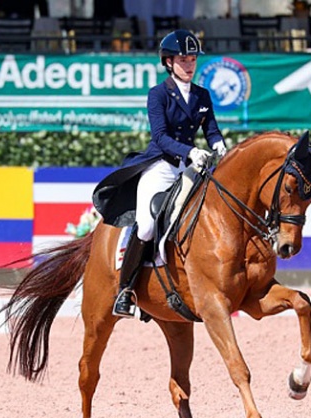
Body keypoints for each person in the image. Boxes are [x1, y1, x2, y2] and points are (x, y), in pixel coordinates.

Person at [92, 29, 227, 319]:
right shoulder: (158, 94)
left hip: (190, 168)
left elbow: (211, 128)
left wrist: (218, 143)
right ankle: (126, 291)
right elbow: (161, 137)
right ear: (168, 62)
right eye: (183, 60)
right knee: (147, 226)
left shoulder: (202, 95)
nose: (189, 65)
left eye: (192, 60)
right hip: (161, 166)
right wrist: (190, 152)